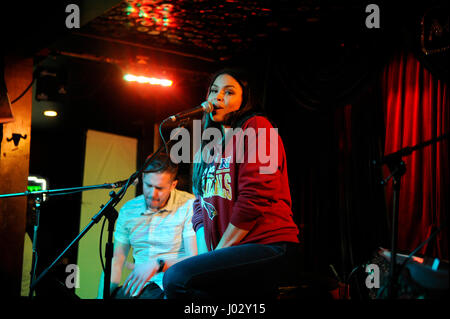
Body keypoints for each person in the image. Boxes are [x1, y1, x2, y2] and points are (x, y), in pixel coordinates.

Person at [162, 68, 302, 299]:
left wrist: (217, 254)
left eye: (228, 92)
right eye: (214, 91)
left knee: (177, 278)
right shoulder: (208, 145)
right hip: (230, 250)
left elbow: (256, 197)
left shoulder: (259, 127)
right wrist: (207, 258)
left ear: (245, 99)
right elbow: (200, 207)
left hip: (268, 245)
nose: (217, 97)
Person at [97, 153, 197, 299]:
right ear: (142, 177)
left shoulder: (189, 205)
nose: (153, 194)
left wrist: (159, 264)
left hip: (172, 286)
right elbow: (116, 261)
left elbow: (194, 259)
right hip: (139, 288)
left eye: (160, 188)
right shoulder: (129, 210)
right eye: (149, 185)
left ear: (173, 185)